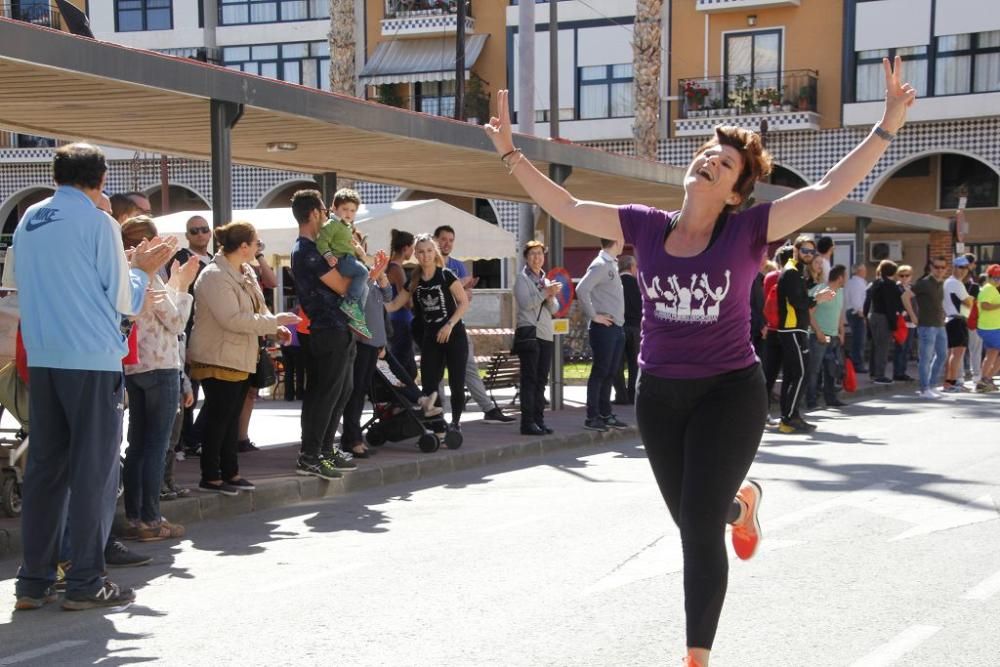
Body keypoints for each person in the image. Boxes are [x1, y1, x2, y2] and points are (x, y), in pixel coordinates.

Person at [482, 51, 915, 665]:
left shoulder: (747, 232)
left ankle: (696, 658)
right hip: (661, 394)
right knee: (697, 521)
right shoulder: (647, 227)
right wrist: (509, 151)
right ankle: (740, 505)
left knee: (694, 533)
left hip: (730, 392)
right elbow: (571, 211)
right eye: (708, 154)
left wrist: (888, 124)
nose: (711, 160)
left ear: (737, 190)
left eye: (726, 162)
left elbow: (825, 190)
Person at [14, 142, 176, 611]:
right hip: (91, 359)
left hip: (45, 357)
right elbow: (125, 299)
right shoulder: (99, 223)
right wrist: (142, 270)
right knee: (94, 473)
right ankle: (85, 579)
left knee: (46, 471)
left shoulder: (29, 218)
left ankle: (34, 581)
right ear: (101, 180)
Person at [187, 221, 298, 495]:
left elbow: (255, 310)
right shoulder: (214, 275)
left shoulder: (245, 270)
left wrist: (274, 328)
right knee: (219, 417)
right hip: (218, 356)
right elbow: (232, 319)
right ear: (244, 246)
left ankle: (231, 473)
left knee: (230, 417)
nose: (259, 247)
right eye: (256, 242)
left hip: (239, 355)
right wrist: (273, 322)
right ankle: (211, 476)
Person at [120, 216, 198, 541]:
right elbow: (176, 321)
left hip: (133, 366)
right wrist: (182, 285)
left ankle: (134, 516)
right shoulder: (148, 272)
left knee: (137, 444)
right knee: (156, 445)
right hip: (160, 366)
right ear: (150, 241)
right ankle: (151, 519)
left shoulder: (124, 270)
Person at [290, 190, 365, 480]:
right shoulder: (307, 251)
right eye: (323, 210)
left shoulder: (315, 248)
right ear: (312, 214)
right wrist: (361, 266)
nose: (327, 215)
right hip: (326, 329)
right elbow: (343, 286)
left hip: (339, 327)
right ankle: (310, 455)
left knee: (341, 391)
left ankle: (325, 450)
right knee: (324, 393)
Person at [387, 234, 470, 435]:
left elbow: (463, 302)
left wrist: (449, 325)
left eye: (429, 251)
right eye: (421, 252)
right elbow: (395, 304)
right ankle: (437, 424)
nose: (425, 256)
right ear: (415, 254)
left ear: (435, 252)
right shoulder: (414, 280)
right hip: (431, 338)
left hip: (454, 335)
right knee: (430, 384)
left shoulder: (446, 275)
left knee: (457, 383)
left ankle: (456, 423)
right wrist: (371, 304)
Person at [433, 225, 515, 424]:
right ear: (435, 240)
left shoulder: (458, 266)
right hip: (435, 326)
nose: (447, 244)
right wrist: (459, 287)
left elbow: (466, 299)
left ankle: (488, 408)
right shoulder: (429, 266)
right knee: (437, 373)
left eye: (451, 240)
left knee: (469, 368)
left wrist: (462, 291)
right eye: (443, 239)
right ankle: (439, 415)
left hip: (457, 325)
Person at [777, 236, 835, 434]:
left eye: (812, 252)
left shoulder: (798, 272)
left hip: (795, 329)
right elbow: (799, 303)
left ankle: (790, 417)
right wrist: (818, 298)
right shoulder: (792, 272)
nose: (809, 255)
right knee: (801, 374)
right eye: (805, 251)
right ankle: (789, 418)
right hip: (792, 328)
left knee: (793, 375)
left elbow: (801, 299)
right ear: (796, 250)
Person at [577, 238, 629, 433]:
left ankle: (605, 414)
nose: (624, 241)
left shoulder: (611, 264)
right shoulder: (600, 265)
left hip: (616, 327)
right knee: (600, 372)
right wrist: (594, 316)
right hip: (604, 328)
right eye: (621, 238)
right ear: (615, 240)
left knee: (610, 372)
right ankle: (592, 417)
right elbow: (582, 289)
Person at [175, 215, 214, 458]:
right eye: (194, 231)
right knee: (189, 389)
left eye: (204, 229)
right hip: (188, 331)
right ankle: (185, 440)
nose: (200, 234)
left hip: (213, 332)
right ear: (187, 235)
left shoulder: (216, 259)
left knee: (217, 391)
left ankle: (195, 437)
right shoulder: (181, 259)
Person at [513, 240, 560, 436]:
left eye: (540, 253)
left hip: (545, 334)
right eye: (532, 254)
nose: (537, 258)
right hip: (529, 333)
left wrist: (550, 295)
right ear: (526, 257)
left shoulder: (545, 278)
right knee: (529, 379)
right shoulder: (521, 279)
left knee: (541, 380)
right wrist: (545, 293)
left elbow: (555, 309)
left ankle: (539, 420)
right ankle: (527, 422)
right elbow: (525, 304)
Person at [315, 188, 372, 339]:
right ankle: (349, 304)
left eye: (353, 210)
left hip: (349, 257)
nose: (349, 213)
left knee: (364, 289)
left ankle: (357, 319)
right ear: (334, 208)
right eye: (345, 209)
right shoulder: (332, 224)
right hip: (341, 259)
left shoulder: (345, 226)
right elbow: (321, 242)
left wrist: (357, 248)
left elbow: (346, 242)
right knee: (363, 272)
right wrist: (328, 256)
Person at [903, 257, 949, 398]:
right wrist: (912, 316)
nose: (939, 270)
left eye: (942, 267)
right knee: (926, 358)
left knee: (942, 355)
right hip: (926, 325)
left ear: (946, 269)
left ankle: (932, 385)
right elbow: (905, 297)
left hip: (940, 324)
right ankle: (924, 388)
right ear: (931, 267)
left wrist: (944, 314)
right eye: (937, 267)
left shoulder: (941, 283)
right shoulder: (924, 283)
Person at [805, 264, 847, 409]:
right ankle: (811, 401)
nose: (846, 279)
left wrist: (841, 332)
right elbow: (809, 312)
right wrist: (818, 332)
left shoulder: (840, 292)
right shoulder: (820, 290)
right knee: (814, 370)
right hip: (818, 336)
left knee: (831, 369)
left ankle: (831, 399)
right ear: (840, 277)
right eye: (845, 276)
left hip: (833, 336)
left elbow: (839, 312)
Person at [386, 229, 418, 380]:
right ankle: (395, 397)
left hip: (394, 319)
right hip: (401, 321)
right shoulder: (397, 269)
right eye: (412, 248)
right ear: (405, 248)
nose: (413, 251)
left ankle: (404, 398)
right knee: (402, 365)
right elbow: (405, 300)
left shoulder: (390, 266)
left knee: (408, 366)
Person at [866, 259, 903, 385]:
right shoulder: (890, 285)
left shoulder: (874, 283)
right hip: (883, 317)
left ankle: (873, 373)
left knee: (875, 346)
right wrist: (893, 324)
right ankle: (879, 375)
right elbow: (891, 305)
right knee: (883, 347)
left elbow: (867, 302)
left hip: (873, 316)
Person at [942, 255, 975, 392]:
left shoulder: (948, 282)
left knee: (952, 354)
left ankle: (948, 382)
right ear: (954, 267)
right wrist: (970, 300)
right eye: (960, 267)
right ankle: (952, 383)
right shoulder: (956, 283)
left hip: (950, 319)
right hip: (957, 320)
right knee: (957, 354)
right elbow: (969, 303)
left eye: (966, 268)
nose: (963, 271)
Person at [613, 254, 642, 405]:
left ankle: (621, 395)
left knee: (617, 363)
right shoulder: (639, 285)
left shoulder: (615, 284)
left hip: (619, 327)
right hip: (636, 329)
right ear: (632, 268)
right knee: (634, 364)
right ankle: (633, 395)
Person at [975, 264, 1000, 392]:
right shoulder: (989, 289)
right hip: (991, 327)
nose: (998, 280)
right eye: (996, 277)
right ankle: (986, 379)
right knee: (993, 353)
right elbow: (985, 306)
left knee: (991, 353)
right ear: (989, 277)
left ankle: (984, 380)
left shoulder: (991, 288)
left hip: (990, 326)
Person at [892, 264, 917, 381]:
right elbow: (895, 303)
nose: (904, 278)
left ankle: (903, 371)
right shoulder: (896, 288)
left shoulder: (912, 288)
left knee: (907, 348)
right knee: (900, 347)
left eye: (907, 275)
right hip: (901, 322)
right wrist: (900, 311)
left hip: (912, 322)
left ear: (911, 276)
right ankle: (898, 372)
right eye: (901, 275)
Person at [844, 263, 870, 373]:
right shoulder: (856, 283)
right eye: (864, 269)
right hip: (856, 313)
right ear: (859, 271)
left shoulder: (857, 282)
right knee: (859, 340)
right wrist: (861, 313)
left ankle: (857, 362)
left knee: (859, 339)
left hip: (856, 313)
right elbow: (856, 301)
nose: (866, 272)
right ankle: (857, 364)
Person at [962, 252, 982, 382]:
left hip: (958, 319)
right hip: (971, 320)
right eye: (974, 263)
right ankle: (976, 375)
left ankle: (960, 377)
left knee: (959, 351)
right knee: (974, 349)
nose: (975, 265)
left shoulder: (953, 282)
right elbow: (971, 303)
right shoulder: (973, 285)